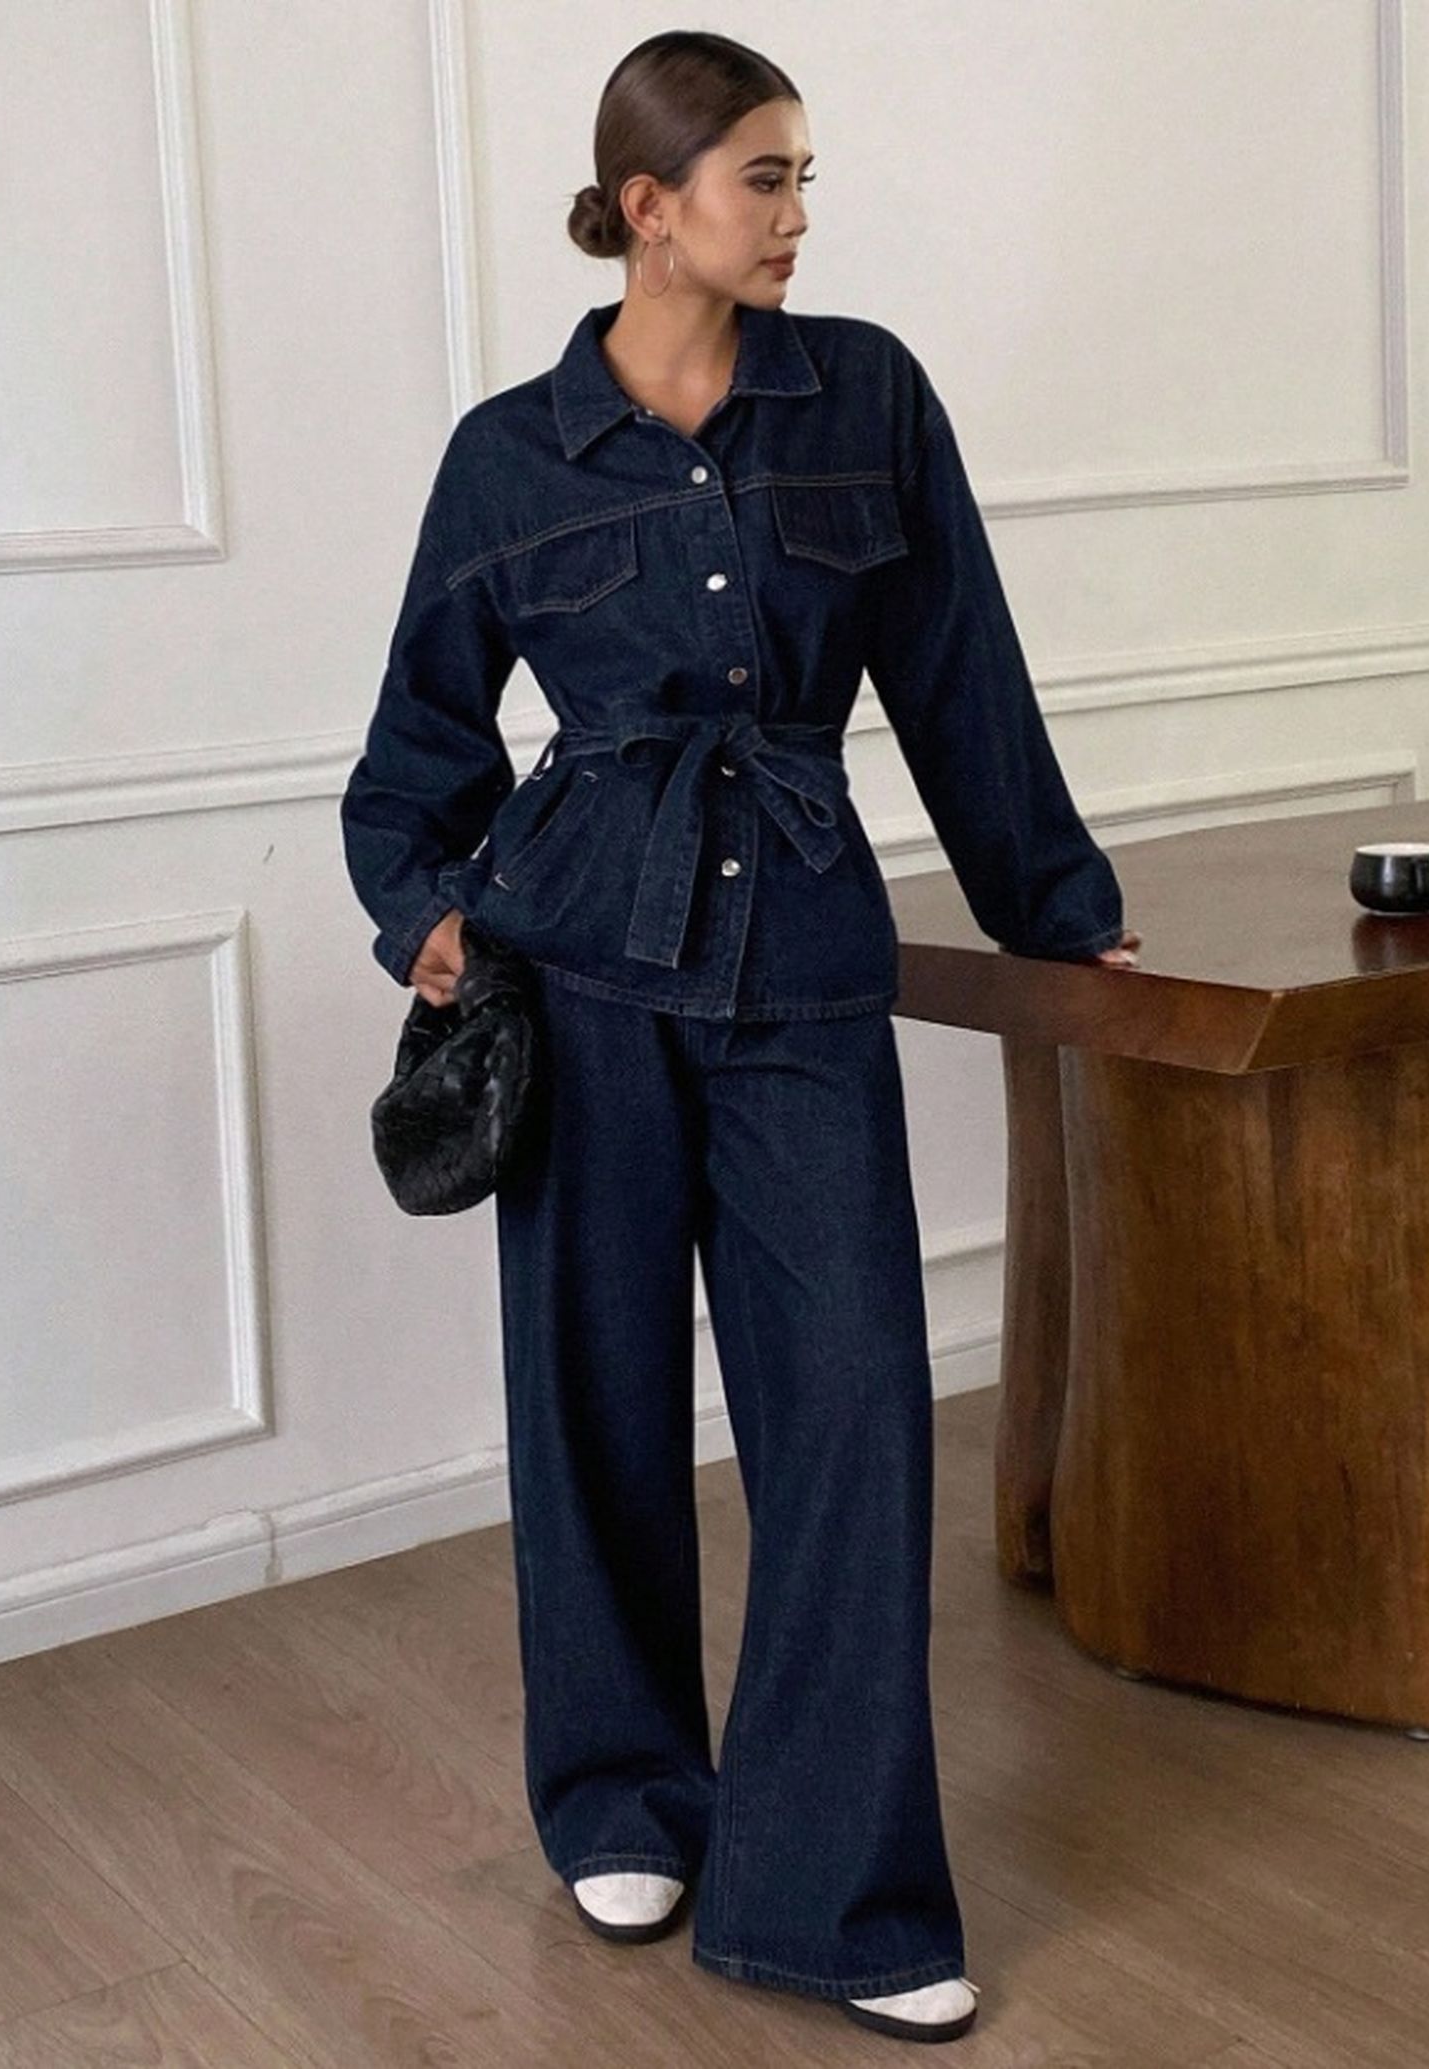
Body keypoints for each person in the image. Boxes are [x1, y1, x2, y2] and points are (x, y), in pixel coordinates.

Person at [341, 29, 1141, 2047]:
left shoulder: (864, 396)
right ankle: (622, 1798)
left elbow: (961, 674)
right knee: (595, 1402)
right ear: (649, 207)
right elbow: (413, 751)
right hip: (577, 971)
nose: (796, 216)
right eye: (763, 179)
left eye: (802, 178)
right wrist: (429, 919)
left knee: (854, 1413)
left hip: (800, 964)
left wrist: (1061, 912)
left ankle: (840, 1892)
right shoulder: (508, 456)